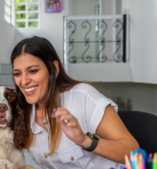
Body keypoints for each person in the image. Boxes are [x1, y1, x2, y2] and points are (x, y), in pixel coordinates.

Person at [11, 36, 139, 169]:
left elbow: (132, 152)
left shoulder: (83, 97)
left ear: (53, 69)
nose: (24, 81)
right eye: (17, 74)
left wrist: (86, 141)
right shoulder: (21, 113)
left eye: (33, 71)